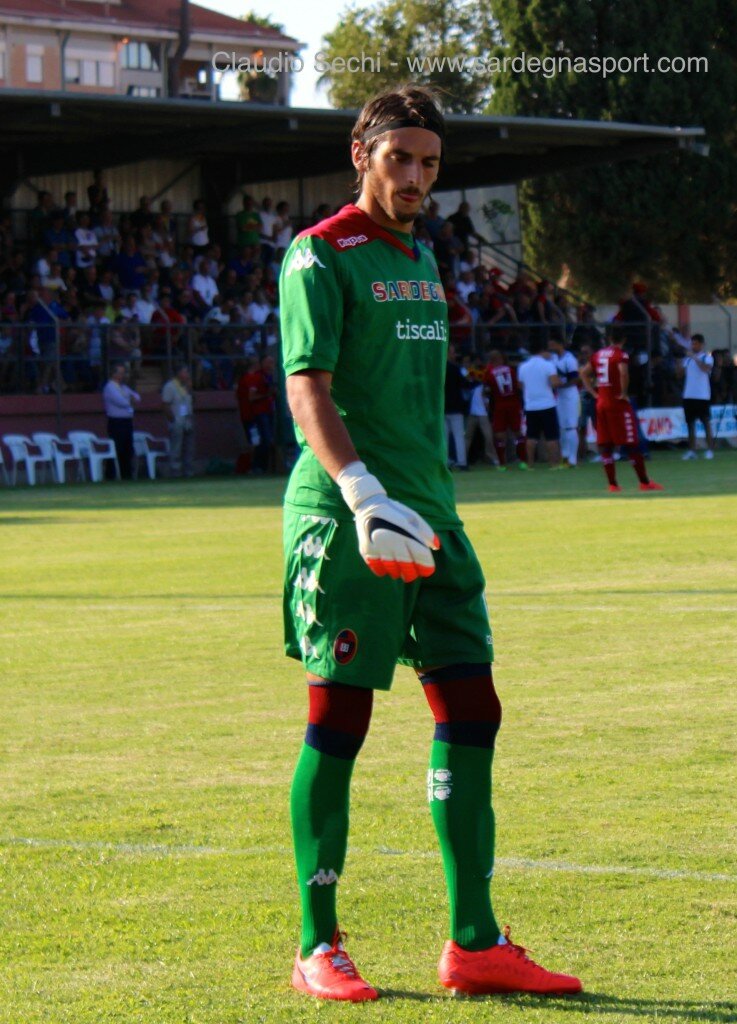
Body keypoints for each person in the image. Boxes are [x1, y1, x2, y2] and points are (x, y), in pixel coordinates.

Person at [278, 84, 581, 1003]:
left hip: (433, 518)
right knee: (341, 721)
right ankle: (316, 943)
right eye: (399, 158)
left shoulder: (422, 258)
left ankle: (473, 943)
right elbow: (309, 391)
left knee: (473, 711)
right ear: (360, 156)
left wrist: (418, 504)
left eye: (430, 165)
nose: (415, 177)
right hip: (348, 518)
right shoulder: (318, 254)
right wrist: (361, 493)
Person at [581, 330, 663, 492]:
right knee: (632, 443)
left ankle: (613, 484)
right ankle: (644, 482)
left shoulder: (598, 355)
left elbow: (583, 373)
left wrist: (593, 393)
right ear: (624, 339)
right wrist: (624, 392)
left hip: (601, 403)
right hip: (617, 404)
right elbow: (623, 373)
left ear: (609, 338)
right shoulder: (621, 355)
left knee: (606, 445)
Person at [517, 340, 563, 468]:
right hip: (547, 404)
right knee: (551, 436)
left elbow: (520, 385)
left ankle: (530, 464)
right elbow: (554, 383)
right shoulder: (548, 365)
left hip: (530, 405)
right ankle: (553, 463)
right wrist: (559, 382)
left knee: (531, 436)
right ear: (543, 351)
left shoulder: (523, 366)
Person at [484, 349, 527, 469]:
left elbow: (487, 391)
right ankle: (523, 461)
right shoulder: (512, 370)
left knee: (499, 435)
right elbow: (518, 386)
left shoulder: (489, 373)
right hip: (514, 404)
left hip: (499, 405)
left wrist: (487, 404)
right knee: (518, 433)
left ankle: (502, 464)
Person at [678, 333, 715, 460]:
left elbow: (705, 369)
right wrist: (680, 362)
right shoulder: (687, 359)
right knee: (690, 424)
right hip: (688, 395)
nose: (693, 346)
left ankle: (710, 450)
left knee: (705, 422)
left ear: (701, 344)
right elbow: (680, 374)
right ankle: (692, 450)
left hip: (702, 395)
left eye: (695, 343)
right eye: (692, 344)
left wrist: (694, 357)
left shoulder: (706, 357)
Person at [102, 362, 140, 479]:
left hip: (127, 421)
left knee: (127, 448)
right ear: (114, 374)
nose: (123, 375)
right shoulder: (110, 387)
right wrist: (130, 400)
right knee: (117, 448)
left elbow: (137, 397)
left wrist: (130, 399)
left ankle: (126, 474)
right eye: (121, 373)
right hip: (116, 422)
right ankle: (111, 475)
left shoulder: (124, 387)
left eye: (124, 373)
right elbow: (121, 402)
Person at [548, 336, 580, 466]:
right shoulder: (553, 358)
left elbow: (575, 379)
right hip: (559, 396)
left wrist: (561, 385)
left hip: (570, 395)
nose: (550, 348)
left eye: (552, 345)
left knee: (571, 427)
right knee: (561, 427)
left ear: (560, 345)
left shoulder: (570, 359)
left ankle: (573, 459)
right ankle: (565, 456)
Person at [161, 366, 195, 477]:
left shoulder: (186, 386)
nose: (188, 375)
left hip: (188, 420)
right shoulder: (170, 386)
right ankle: (175, 472)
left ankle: (188, 472)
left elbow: (192, 401)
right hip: (177, 421)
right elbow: (165, 405)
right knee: (176, 448)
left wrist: (190, 389)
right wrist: (173, 421)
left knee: (189, 448)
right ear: (179, 373)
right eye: (186, 372)